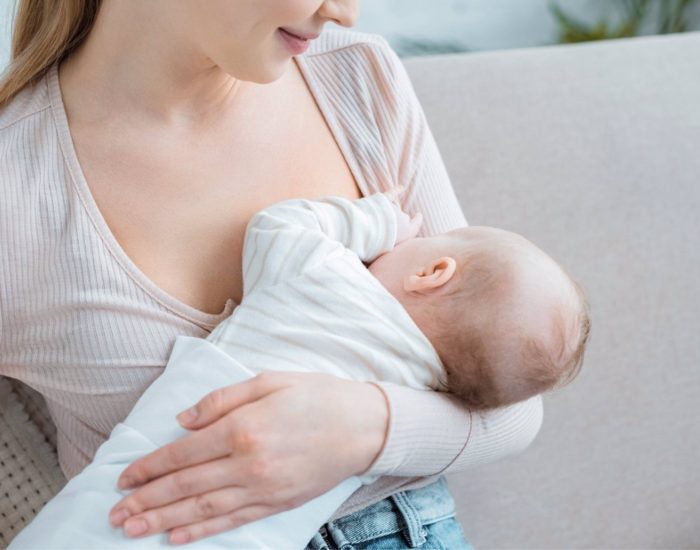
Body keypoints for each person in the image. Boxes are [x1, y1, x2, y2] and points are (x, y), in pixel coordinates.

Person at [0, 1, 544, 547]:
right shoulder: (16, 188)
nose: (344, 13)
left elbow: (511, 412)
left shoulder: (356, 77)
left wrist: (361, 427)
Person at [9, 191, 588, 548]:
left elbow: (278, 225)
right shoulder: (428, 386)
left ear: (432, 271)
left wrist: (379, 220)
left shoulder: (328, 278)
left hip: (133, 498)